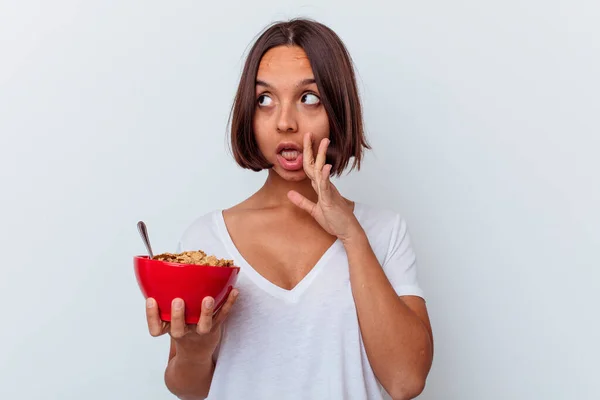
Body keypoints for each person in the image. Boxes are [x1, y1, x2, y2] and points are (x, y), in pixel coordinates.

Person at [145, 18, 434, 400]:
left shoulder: (384, 231)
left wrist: (351, 235)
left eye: (308, 98)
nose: (284, 122)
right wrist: (194, 351)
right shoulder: (208, 240)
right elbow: (190, 389)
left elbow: (406, 381)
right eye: (265, 100)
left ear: (338, 108)